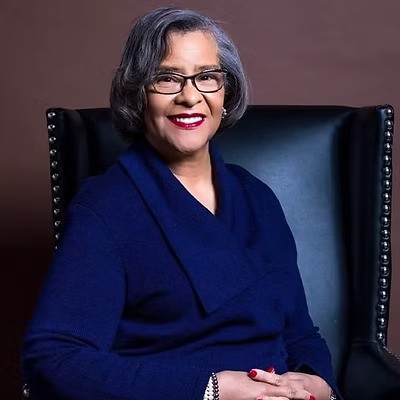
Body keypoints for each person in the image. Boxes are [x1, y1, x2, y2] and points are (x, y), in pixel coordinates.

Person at [22, 7, 339, 400]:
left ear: (226, 93)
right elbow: (53, 360)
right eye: (167, 78)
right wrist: (211, 389)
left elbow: (301, 334)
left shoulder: (257, 197)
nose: (190, 96)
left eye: (207, 77)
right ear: (138, 94)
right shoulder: (106, 209)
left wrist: (317, 382)